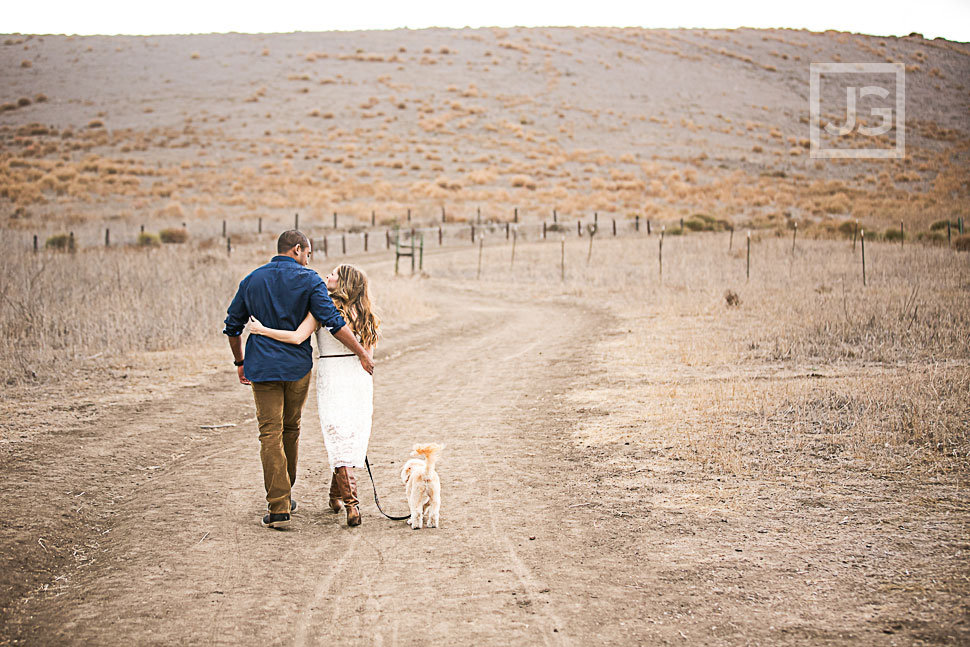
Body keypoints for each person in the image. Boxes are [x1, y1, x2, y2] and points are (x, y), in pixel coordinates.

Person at [223, 231, 375, 529]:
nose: (309, 259)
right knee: (290, 429)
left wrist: (240, 361)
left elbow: (232, 325)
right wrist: (361, 352)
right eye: (308, 253)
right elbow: (332, 320)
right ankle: (286, 492)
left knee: (269, 433)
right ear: (297, 249)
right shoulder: (310, 280)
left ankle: (279, 504)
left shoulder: (252, 280)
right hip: (297, 369)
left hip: (262, 367)